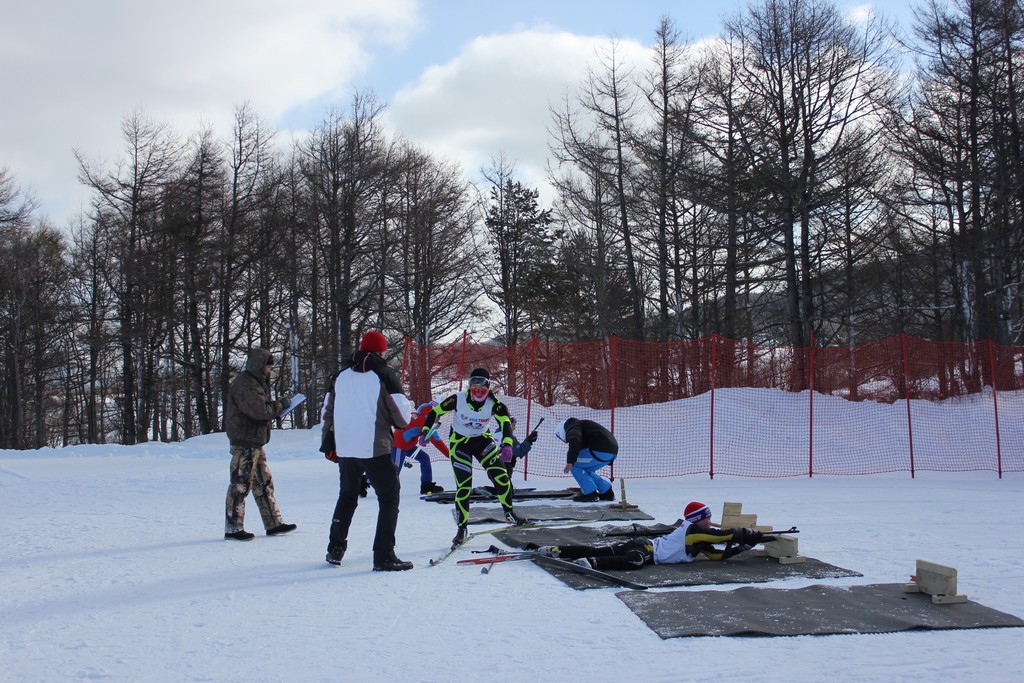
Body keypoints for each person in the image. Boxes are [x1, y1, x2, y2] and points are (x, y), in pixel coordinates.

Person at [322, 330, 414, 571]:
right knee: (389, 496)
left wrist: (328, 444)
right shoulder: (384, 375)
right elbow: (403, 418)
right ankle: (384, 555)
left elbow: (327, 411)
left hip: (346, 448)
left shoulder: (340, 376)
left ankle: (335, 548)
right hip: (374, 447)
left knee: (347, 495)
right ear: (381, 351)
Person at [420, 367, 529, 548]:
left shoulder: (495, 403)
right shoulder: (458, 398)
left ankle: (509, 512)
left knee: (502, 477)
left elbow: (505, 423)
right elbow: (435, 412)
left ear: (488, 388)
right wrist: (425, 431)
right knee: (464, 486)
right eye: (474, 388)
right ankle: (462, 528)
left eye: (482, 389)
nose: (478, 393)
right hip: (460, 443)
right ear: (469, 388)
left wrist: (508, 443)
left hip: (482, 441)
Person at [534, 501, 769, 570]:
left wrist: (742, 547)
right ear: (699, 519)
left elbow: (716, 555)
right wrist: (746, 534)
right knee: (634, 561)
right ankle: (592, 564)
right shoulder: (694, 530)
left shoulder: (698, 538)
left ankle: (558, 551)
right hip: (647, 549)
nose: (710, 521)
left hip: (644, 544)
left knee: (601, 549)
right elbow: (722, 536)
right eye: (707, 517)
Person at [224, 348, 297, 541]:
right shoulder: (245, 386)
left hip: (255, 442)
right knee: (240, 485)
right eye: (268, 366)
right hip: (244, 442)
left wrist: (276, 406)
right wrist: (280, 405)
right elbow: (260, 411)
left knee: (264, 483)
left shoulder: (254, 383)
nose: (270, 370)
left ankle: (273, 523)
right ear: (259, 365)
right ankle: (233, 528)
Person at [555, 417, 618, 502]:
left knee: (575, 465)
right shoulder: (582, 425)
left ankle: (590, 494)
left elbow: (575, 439)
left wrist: (570, 461)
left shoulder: (572, 427)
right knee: (585, 470)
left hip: (599, 450)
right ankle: (607, 492)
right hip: (611, 453)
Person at [392, 401, 448, 495]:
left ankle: (426, 486)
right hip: (399, 446)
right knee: (394, 471)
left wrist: (421, 435)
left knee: (424, 458)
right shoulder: (425, 421)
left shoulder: (418, 414)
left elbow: (412, 429)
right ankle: (366, 481)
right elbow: (437, 442)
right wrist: (450, 455)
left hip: (407, 445)